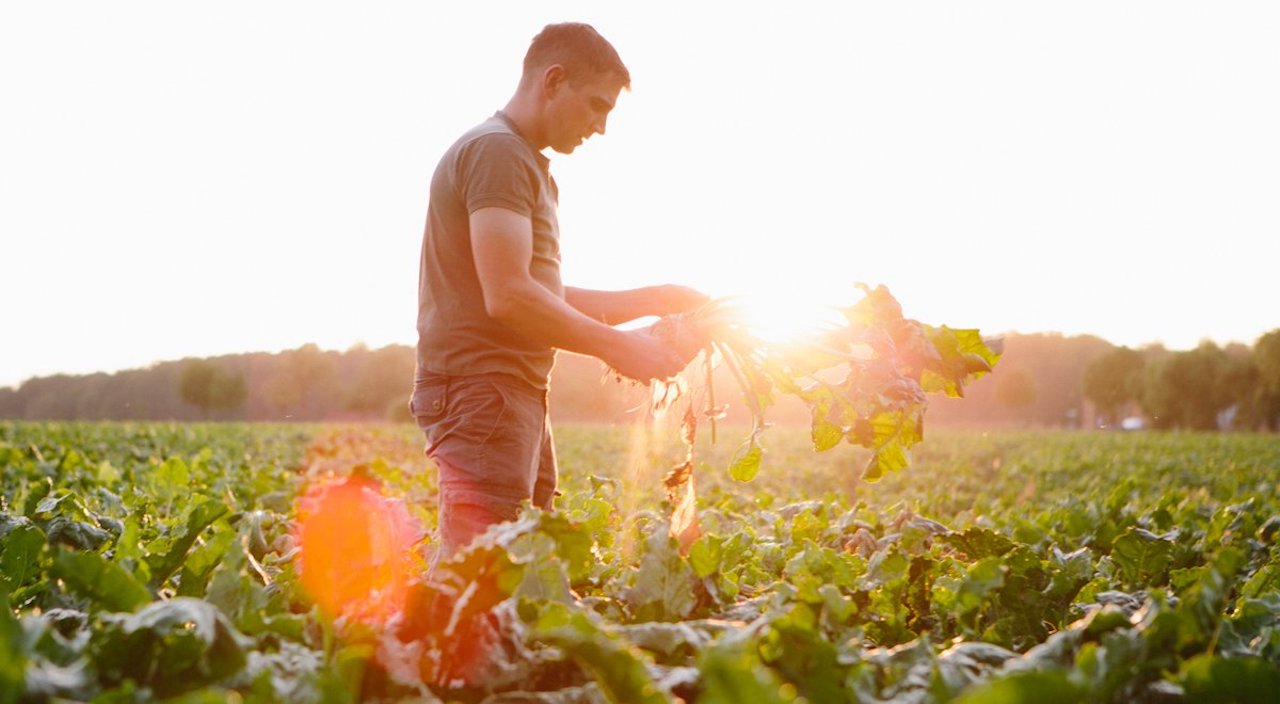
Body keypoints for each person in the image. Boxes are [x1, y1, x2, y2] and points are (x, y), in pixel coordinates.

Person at [410, 22, 707, 562]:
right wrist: (619, 346)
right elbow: (510, 297)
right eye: (597, 106)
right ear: (553, 81)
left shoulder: (522, 161)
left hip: (508, 391)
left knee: (518, 576)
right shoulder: (497, 153)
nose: (600, 127)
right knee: (480, 581)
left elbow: (537, 290)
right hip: (484, 390)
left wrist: (654, 298)